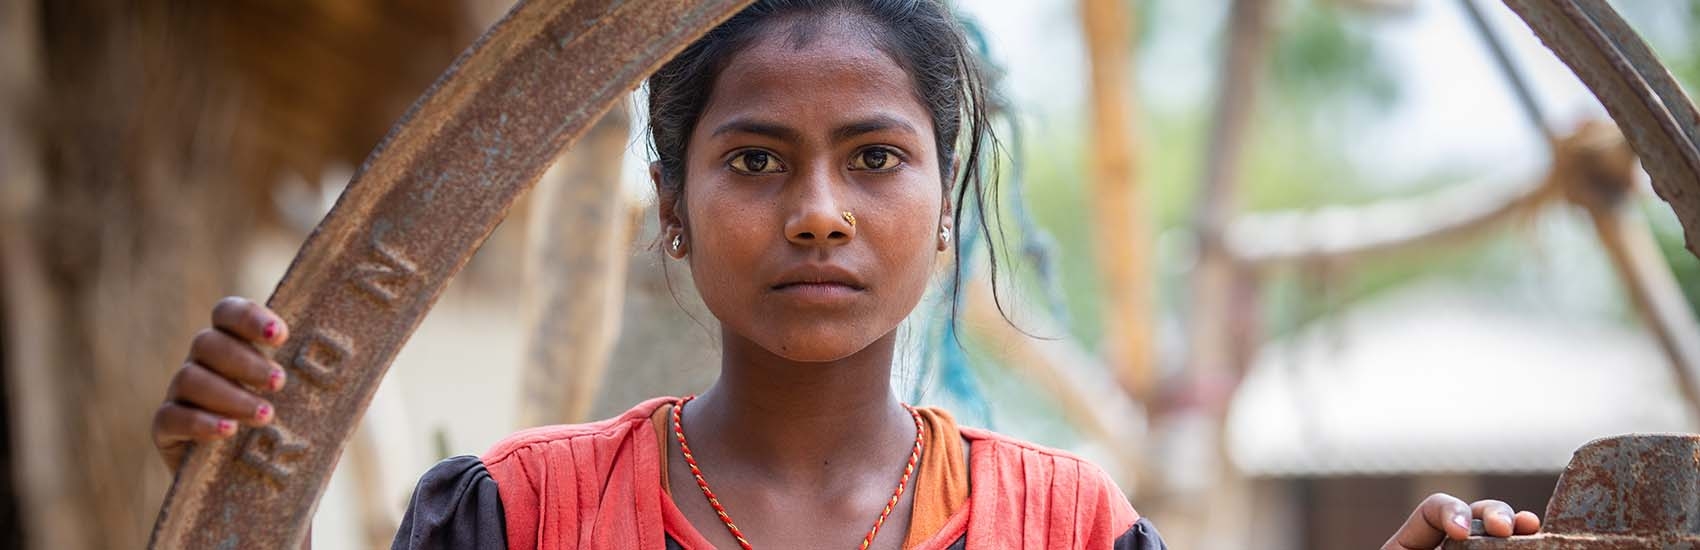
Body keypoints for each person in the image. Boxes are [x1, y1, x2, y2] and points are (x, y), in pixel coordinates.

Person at [151, 1, 1544, 548]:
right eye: (755, 162)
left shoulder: (1063, 528)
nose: (819, 212)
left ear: (941, 208)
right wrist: (222, 485)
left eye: (874, 159)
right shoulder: (519, 515)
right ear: (675, 209)